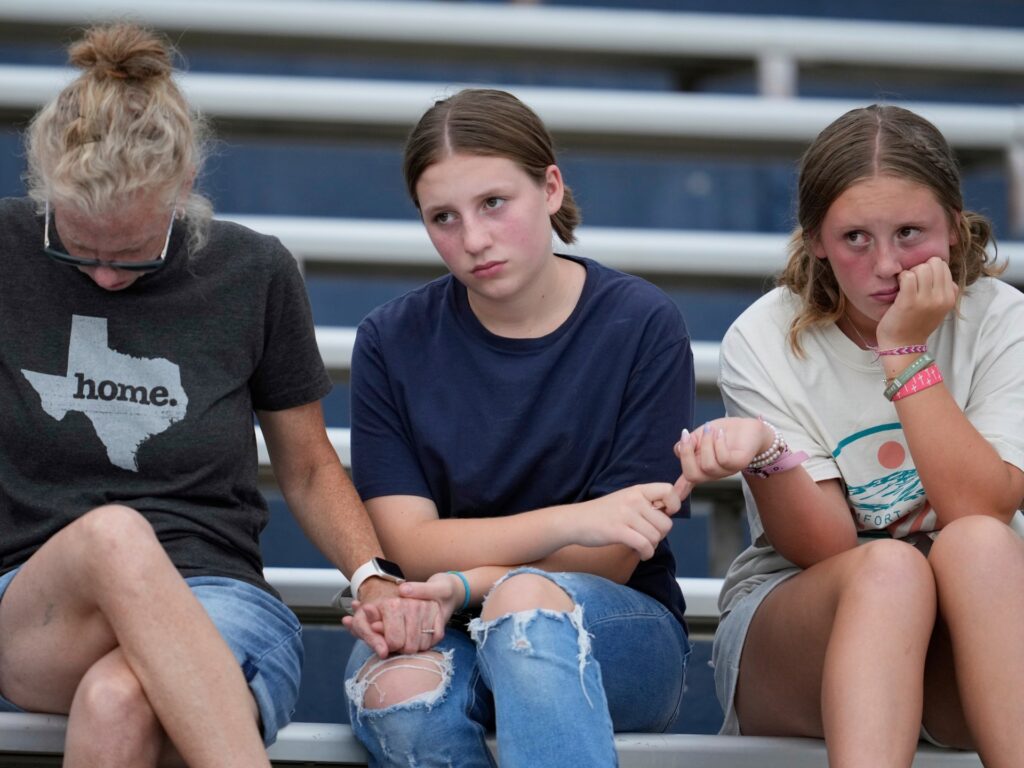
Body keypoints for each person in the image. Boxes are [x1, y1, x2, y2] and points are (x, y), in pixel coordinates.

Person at [0, 22, 438, 768]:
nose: (104, 275)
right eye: (78, 247)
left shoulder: (253, 272)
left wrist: (372, 577)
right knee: (115, 533)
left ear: (185, 188)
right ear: (43, 194)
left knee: (120, 699)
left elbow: (305, 466)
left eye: (131, 252)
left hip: (217, 597)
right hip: (42, 608)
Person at [342, 88, 694, 767]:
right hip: (444, 619)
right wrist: (573, 520)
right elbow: (412, 547)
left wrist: (471, 581)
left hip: (619, 626)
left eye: (493, 203)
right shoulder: (391, 340)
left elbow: (612, 555)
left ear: (552, 188)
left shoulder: (642, 324)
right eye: (443, 217)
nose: (472, 239)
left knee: (526, 614)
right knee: (399, 694)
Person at [676, 104, 1024, 767]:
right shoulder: (765, 336)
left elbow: (982, 509)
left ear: (954, 228)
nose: (887, 264)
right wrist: (769, 457)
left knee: (980, 542)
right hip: (803, 627)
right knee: (890, 569)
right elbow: (828, 546)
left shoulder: (1003, 320)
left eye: (910, 232)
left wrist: (906, 356)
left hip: (970, 633)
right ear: (816, 243)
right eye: (856, 238)